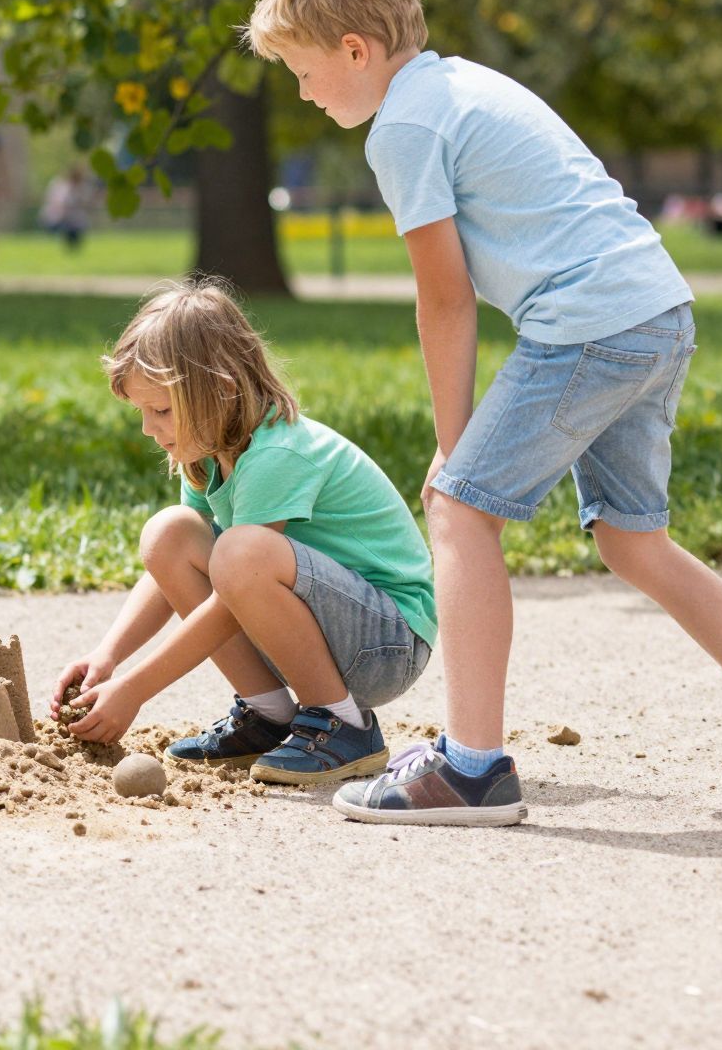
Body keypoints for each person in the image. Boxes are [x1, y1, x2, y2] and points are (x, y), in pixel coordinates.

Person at [245, 0, 722, 824]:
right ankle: (470, 760)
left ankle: (471, 768)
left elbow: (445, 300)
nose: (304, 92)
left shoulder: (403, 126)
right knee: (634, 541)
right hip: (656, 309)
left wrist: (451, 449)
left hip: (592, 326)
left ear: (355, 51)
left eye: (304, 70)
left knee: (458, 508)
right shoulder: (458, 82)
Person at [53, 280, 436, 787]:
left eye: (162, 410)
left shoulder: (277, 453)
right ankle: (269, 714)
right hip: (324, 628)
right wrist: (109, 655)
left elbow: (235, 587)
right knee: (169, 533)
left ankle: (344, 724)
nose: (148, 428)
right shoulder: (211, 452)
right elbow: (178, 571)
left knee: (239, 552)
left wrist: (135, 688)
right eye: (142, 412)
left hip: (386, 643)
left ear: (219, 389)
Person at [40, 165, 96, 252]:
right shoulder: (61, 186)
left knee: (77, 222)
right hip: (59, 218)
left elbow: (85, 203)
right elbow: (58, 204)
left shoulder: (81, 188)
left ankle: (74, 244)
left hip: (73, 220)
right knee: (70, 224)